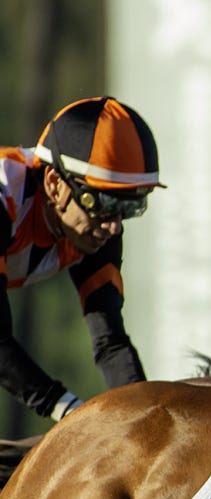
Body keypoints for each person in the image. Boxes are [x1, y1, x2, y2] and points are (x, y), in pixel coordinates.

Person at [0, 96, 163, 422]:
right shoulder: (5, 194)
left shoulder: (96, 229)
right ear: (54, 184)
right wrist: (73, 414)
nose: (114, 226)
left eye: (130, 207)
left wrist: (147, 421)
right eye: (104, 203)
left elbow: (110, 342)